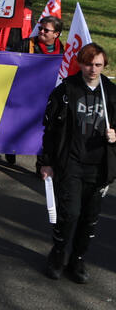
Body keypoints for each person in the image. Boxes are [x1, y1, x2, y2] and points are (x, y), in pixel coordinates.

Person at [38, 43, 116, 283]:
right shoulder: (66, 90)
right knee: (70, 214)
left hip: (99, 166)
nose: (92, 69)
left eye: (98, 65)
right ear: (80, 63)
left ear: (104, 66)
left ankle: (78, 259)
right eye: (88, 63)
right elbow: (50, 129)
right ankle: (58, 254)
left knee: (89, 217)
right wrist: (46, 162)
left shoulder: (111, 93)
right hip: (71, 162)